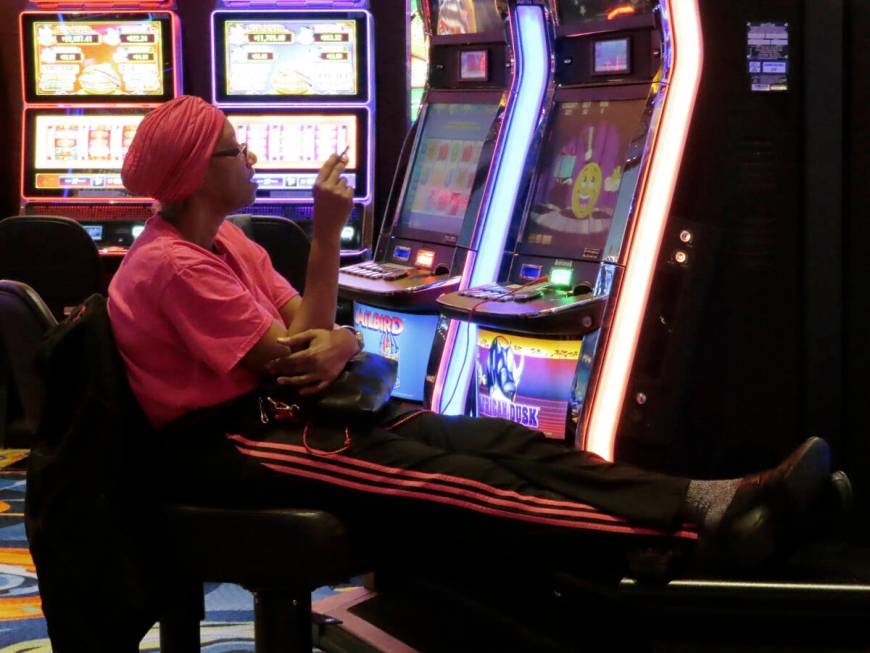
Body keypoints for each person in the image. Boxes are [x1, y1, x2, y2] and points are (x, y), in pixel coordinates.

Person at [108, 95, 843, 572]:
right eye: (239, 150)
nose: (254, 158)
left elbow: (310, 336)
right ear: (198, 171)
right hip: (235, 444)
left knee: (502, 442)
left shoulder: (226, 243)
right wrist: (328, 253)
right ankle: (719, 544)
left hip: (287, 414)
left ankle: (708, 496)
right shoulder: (171, 266)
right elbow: (292, 362)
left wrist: (342, 340)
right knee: (476, 485)